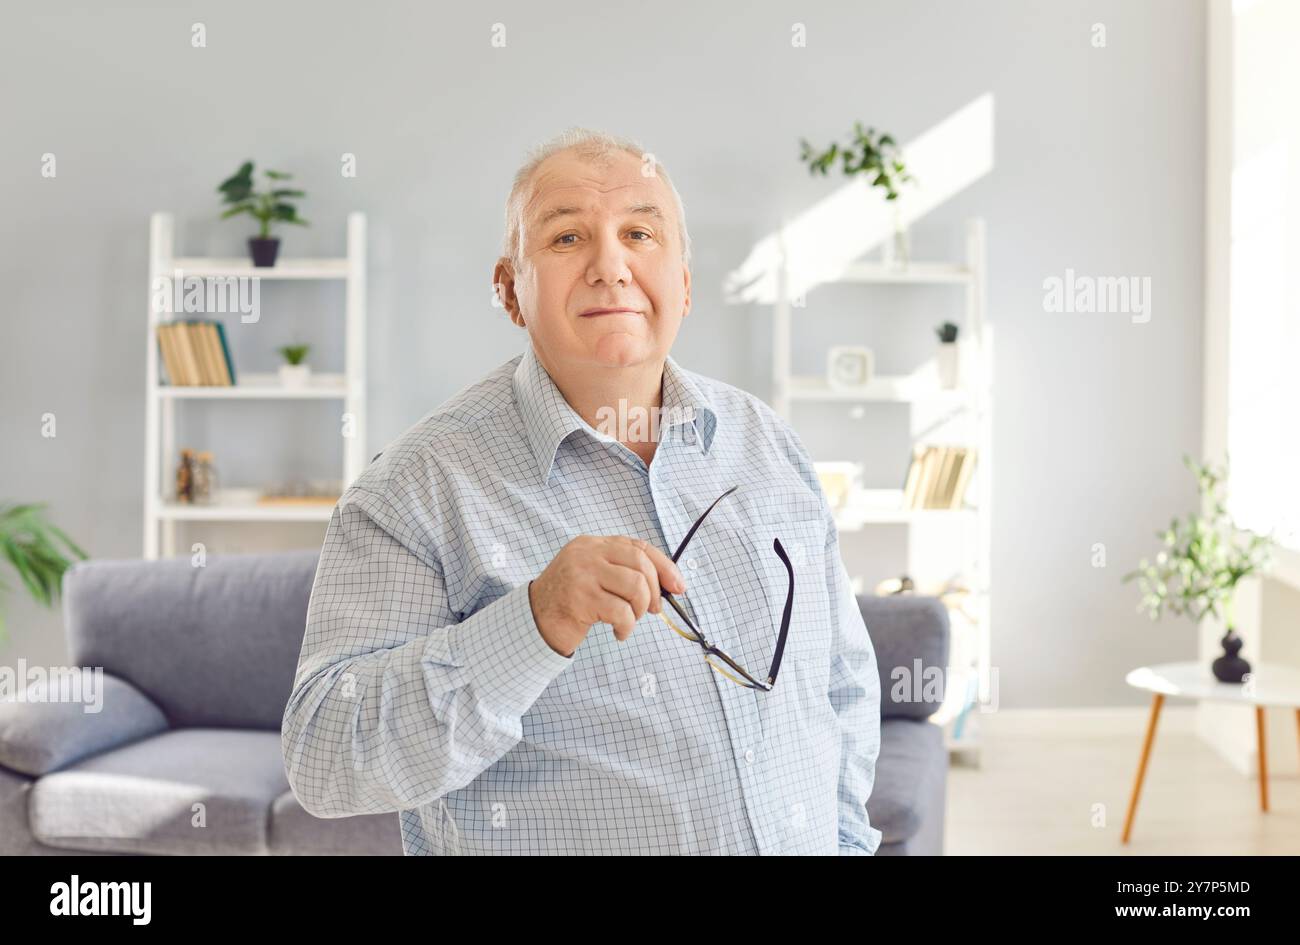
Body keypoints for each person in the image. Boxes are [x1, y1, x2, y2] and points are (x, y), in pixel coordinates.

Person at [281, 127, 883, 855]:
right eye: (567, 238)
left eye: (639, 233)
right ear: (509, 289)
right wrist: (534, 623)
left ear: (684, 283)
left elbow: (841, 685)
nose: (611, 266)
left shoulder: (766, 444)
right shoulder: (413, 491)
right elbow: (324, 756)